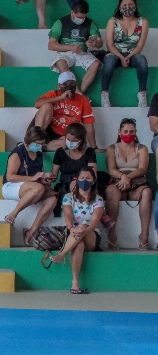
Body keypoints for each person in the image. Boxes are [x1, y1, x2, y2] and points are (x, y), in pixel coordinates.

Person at [50, 168, 105, 293]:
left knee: (83, 226)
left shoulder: (98, 199)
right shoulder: (68, 197)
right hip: (73, 233)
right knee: (79, 245)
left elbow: (95, 220)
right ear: (77, 180)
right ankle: (75, 283)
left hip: (91, 234)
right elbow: (68, 215)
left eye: (88, 178)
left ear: (93, 181)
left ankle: (62, 254)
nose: (85, 181)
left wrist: (85, 230)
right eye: (82, 178)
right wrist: (71, 228)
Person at [2, 126, 57, 244]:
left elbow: (38, 176)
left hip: (32, 186)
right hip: (11, 186)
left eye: (41, 144)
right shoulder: (17, 153)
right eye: (37, 144)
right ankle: (13, 214)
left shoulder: (38, 153)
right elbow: (10, 176)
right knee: (38, 188)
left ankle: (31, 231)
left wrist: (45, 178)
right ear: (28, 141)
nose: (39, 147)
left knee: (52, 200)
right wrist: (32, 178)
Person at [104, 117, 153, 249]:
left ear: (136, 132)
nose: (128, 134)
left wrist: (128, 177)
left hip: (137, 184)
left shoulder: (141, 148)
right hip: (118, 183)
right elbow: (111, 169)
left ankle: (144, 235)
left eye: (132, 131)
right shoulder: (112, 148)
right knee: (110, 191)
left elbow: (142, 169)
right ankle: (112, 234)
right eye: (125, 131)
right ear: (119, 132)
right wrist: (122, 177)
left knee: (147, 193)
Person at [101, 0, 150, 108]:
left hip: (133, 54)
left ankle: (142, 94)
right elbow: (110, 44)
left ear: (135, 6)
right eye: (124, 5)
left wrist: (128, 57)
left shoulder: (143, 22)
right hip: (115, 53)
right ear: (119, 7)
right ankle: (104, 93)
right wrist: (121, 57)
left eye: (130, 5)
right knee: (109, 60)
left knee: (142, 60)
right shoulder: (113, 21)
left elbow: (140, 45)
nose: (128, 7)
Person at [47, 0, 103, 94]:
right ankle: (79, 95)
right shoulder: (61, 22)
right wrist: (70, 47)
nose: (81, 19)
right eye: (78, 17)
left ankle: (79, 95)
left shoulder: (90, 23)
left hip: (82, 53)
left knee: (96, 63)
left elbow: (100, 43)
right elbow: (51, 45)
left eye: (83, 17)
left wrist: (94, 43)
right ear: (72, 12)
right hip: (64, 53)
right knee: (61, 63)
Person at [33, 71, 97, 150]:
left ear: (75, 84)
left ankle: (40, 147)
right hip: (47, 130)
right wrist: (60, 98)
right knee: (47, 106)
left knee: (69, 141)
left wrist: (94, 148)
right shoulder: (53, 94)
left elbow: (88, 125)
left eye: (72, 83)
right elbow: (37, 104)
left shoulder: (83, 100)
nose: (69, 87)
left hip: (65, 135)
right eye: (65, 84)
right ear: (59, 86)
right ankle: (36, 139)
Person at [48, 122, 98, 209]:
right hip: (66, 184)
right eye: (68, 140)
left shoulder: (89, 152)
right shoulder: (60, 152)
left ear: (81, 140)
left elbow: (93, 174)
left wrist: (80, 181)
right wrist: (50, 177)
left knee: (82, 186)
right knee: (73, 187)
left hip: (84, 182)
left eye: (74, 141)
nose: (70, 143)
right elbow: (54, 175)